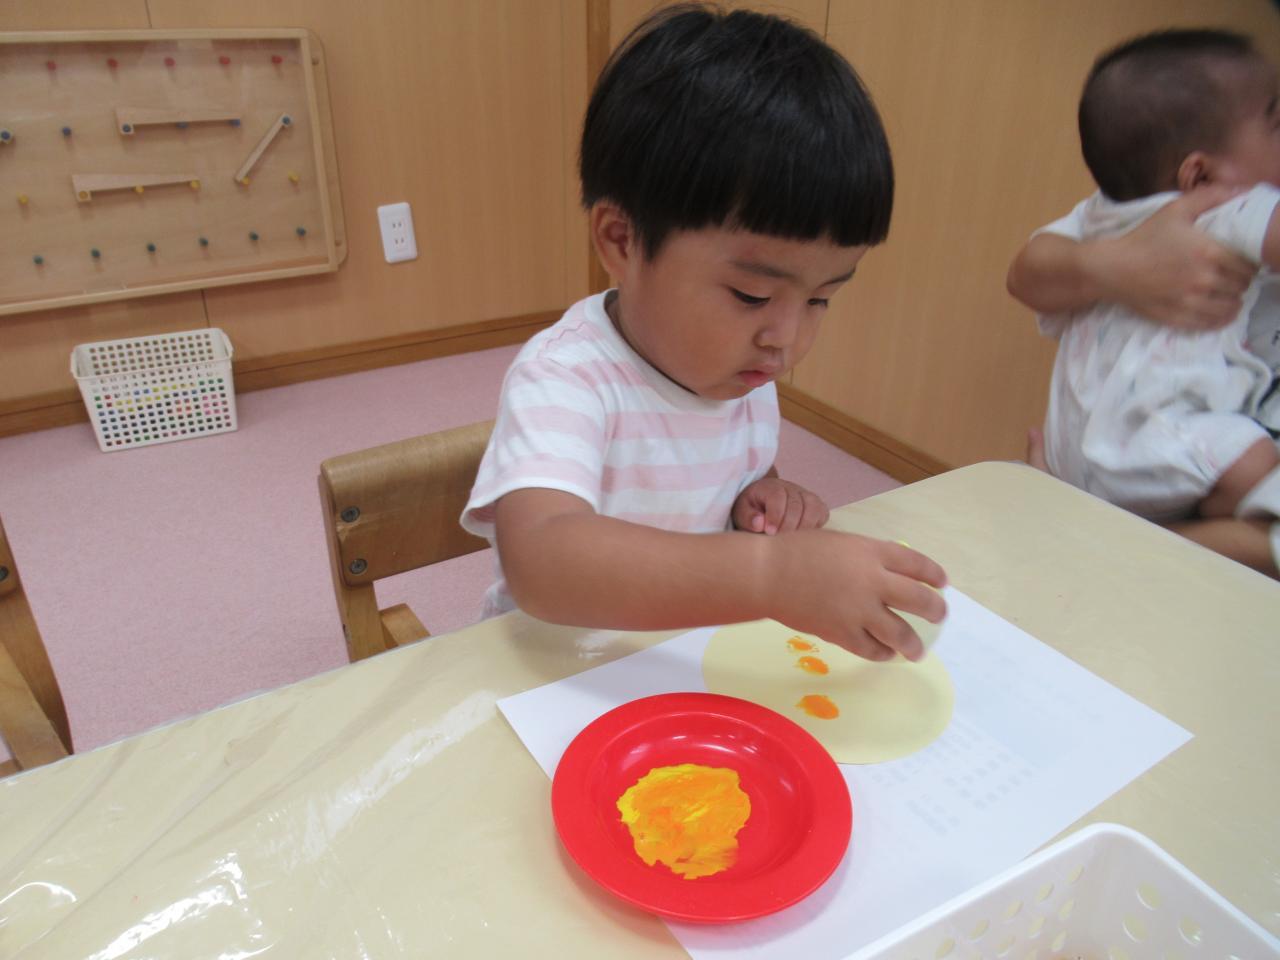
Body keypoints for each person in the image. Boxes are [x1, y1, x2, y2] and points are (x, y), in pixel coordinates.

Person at [461, 4, 946, 661]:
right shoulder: (567, 378)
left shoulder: (739, 367)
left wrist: (763, 494)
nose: (786, 339)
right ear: (622, 240)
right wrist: (769, 575)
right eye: (752, 295)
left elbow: (736, 463)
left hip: (685, 656)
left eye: (821, 299)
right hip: (558, 670)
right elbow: (544, 561)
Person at [1006, 28, 1280, 577]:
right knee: (1257, 466)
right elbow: (1026, 273)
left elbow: (1030, 268)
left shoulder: (1105, 214)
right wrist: (1119, 266)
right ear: (1199, 173)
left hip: (1078, 451)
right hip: (1159, 438)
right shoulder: (1230, 204)